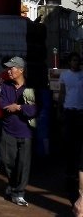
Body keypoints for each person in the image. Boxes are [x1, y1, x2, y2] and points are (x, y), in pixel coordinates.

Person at [0, 56, 37, 207]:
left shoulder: (30, 87)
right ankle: (13, 184)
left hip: (26, 132)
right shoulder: (4, 86)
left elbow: (34, 109)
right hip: (8, 130)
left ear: (21, 70)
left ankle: (18, 193)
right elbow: (3, 105)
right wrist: (18, 107)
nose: (9, 71)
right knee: (7, 161)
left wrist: (19, 107)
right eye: (8, 68)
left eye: (12, 68)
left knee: (23, 164)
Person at [59, 52, 83, 190]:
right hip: (68, 111)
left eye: (78, 60)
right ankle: (69, 171)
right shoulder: (65, 75)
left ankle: (77, 171)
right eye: (74, 60)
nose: (76, 62)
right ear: (69, 62)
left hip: (81, 113)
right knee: (69, 143)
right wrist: (59, 110)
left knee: (79, 144)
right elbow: (62, 93)